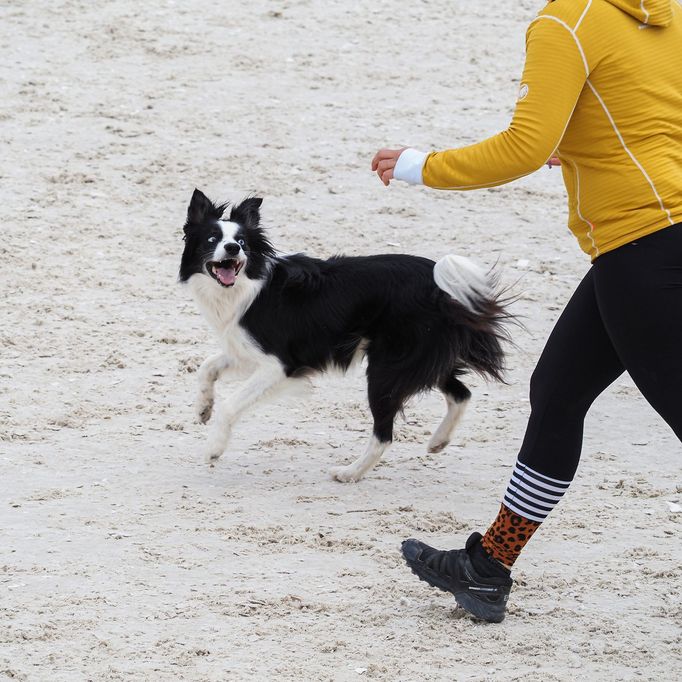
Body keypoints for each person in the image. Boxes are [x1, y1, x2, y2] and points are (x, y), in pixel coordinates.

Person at [372, 0, 682, 623]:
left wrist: (418, 165)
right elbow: (646, 117)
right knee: (558, 391)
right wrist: (582, 142)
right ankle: (489, 567)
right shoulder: (666, 12)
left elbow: (521, 148)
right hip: (659, 234)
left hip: (641, 248)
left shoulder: (564, 20)